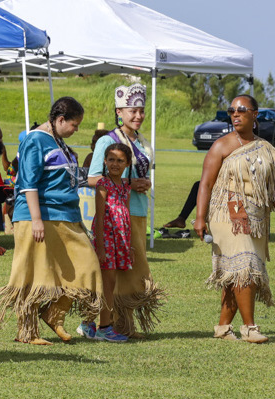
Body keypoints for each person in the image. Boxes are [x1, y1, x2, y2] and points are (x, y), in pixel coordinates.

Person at [0, 97, 102, 345]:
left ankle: (53, 314)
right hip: (35, 215)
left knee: (88, 267)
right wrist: (37, 219)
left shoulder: (58, 141)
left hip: (67, 216)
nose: (76, 129)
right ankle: (27, 332)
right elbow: (28, 182)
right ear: (60, 120)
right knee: (32, 274)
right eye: (74, 124)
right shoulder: (35, 140)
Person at [194, 95, 275, 343]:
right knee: (245, 266)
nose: (235, 114)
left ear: (255, 114)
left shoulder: (266, 148)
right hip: (227, 212)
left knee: (236, 273)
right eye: (231, 110)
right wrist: (199, 217)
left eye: (241, 110)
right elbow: (205, 183)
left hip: (256, 217)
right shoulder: (222, 145)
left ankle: (223, 328)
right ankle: (250, 328)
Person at [87, 83, 165, 338]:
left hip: (138, 212)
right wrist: (129, 183)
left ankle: (120, 323)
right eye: (133, 110)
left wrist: (142, 183)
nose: (138, 116)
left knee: (131, 270)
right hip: (114, 215)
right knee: (118, 271)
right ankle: (109, 323)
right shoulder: (108, 141)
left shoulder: (141, 143)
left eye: (141, 110)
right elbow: (92, 178)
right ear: (119, 111)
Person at [78, 143, 133, 343]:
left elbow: (126, 216)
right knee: (106, 284)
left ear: (127, 163)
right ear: (104, 161)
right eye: (111, 159)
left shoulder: (125, 186)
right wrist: (100, 246)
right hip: (107, 239)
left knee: (108, 283)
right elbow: (99, 217)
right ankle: (104, 326)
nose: (115, 164)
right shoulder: (103, 184)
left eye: (120, 160)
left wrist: (130, 246)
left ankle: (87, 323)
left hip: (120, 240)